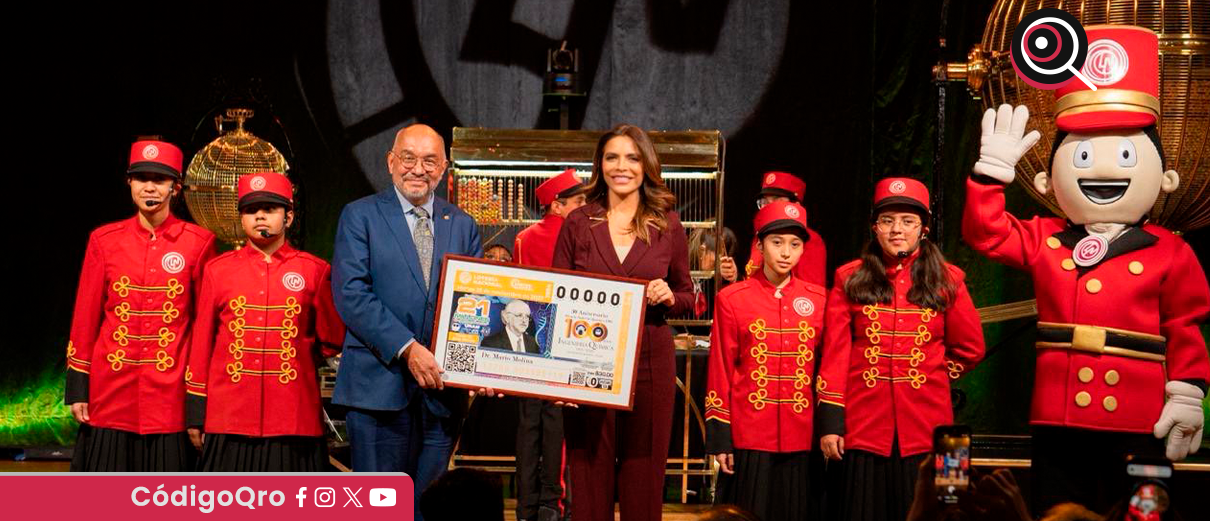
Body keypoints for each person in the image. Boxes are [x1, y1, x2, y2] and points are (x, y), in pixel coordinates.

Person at [963, 26, 1209, 514]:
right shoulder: (1046, 237)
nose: (1102, 170)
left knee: (1142, 513)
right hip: (1060, 417)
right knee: (1057, 511)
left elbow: (1185, 325)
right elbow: (987, 234)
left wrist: (1187, 393)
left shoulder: (1169, 251)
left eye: (1125, 153)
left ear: (1165, 176)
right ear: (1046, 178)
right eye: (1082, 154)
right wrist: (989, 175)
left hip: (1140, 418)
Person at [330, 124, 485, 520]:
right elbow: (351, 294)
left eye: (430, 161)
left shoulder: (463, 224)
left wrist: (486, 364)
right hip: (378, 390)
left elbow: (475, 304)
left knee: (430, 508)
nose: (418, 169)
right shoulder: (360, 215)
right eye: (409, 158)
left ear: (444, 168)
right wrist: (408, 349)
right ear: (390, 162)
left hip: (442, 395)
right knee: (380, 508)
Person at [816, 177, 985, 521]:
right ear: (874, 227)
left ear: (923, 229)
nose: (897, 229)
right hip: (863, 427)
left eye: (908, 221)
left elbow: (971, 348)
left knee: (947, 511)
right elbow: (835, 354)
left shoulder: (950, 279)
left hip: (936, 427)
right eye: (887, 220)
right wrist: (831, 423)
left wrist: (932, 372)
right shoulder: (848, 277)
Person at [551, 124, 694, 521]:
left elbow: (689, 296)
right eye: (612, 157)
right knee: (588, 474)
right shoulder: (578, 222)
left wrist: (670, 296)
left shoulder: (667, 224)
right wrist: (556, 376)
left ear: (646, 165)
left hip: (650, 360)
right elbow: (555, 299)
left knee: (644, 476)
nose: (621, 167)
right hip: (585, 361)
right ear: (600, 164)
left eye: (632, 158)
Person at [65, 139, 217, 471]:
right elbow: (85, 317)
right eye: (141, 178)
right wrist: (78, 387)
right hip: (109, 389)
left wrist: (197, 399)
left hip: (170, 393)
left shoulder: (199, 243)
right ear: (129, 183)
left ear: (175, 187)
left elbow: (203, 326)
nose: (150, 187)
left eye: (159, 180)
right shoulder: (104, 240)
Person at [185, 172, 345, 471]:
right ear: (242, 218)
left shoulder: (315, 270)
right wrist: (196, 411)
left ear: (289, 217)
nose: (259, 216)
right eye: (250, 210)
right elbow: (202, 344)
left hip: (293, 416)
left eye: (269, 209)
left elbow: (331, 339)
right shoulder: (217, 271)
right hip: (227, 415)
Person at [705, 201, 827, 521]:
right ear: (759, 246)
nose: (786, 252)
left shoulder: (819, 300)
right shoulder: (732, 299)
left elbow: (827, 369)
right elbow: (720, 369)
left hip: (802, 435)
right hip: (749, 434)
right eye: (777, 242)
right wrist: (720, 437)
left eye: (795, 244)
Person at [511, 167, 585, 521]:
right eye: (578, 201)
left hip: (528, 340)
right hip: (565, 341)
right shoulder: (577, 236)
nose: (584, 208)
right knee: (558, 425)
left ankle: (526, 505)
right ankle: (555, 504)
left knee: (528, 425)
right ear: (557, 205)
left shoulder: (523, 238)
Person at [742, 172, 828, 286]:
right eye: (764, 202)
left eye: (778, 201)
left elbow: (810, 290)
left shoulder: (809, 239)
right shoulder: (761, 234)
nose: (768, 207)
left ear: (795, 206)